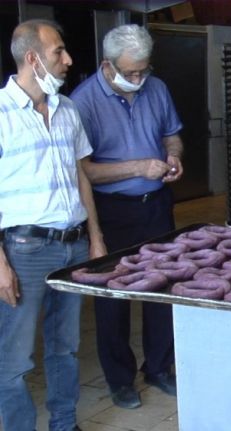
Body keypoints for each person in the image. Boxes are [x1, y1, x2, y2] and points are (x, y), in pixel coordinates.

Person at [0, 19, 107, 431]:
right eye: (58, 52)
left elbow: (82, 176)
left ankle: (65, 424)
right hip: (24, 250)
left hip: (73, 247)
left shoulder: (68, 110)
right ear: (32, 58)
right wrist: (1, 265)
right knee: (13, 360)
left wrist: (96, 239)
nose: (68, 60)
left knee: (65, 349)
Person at [70, 24, 184, 409]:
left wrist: (174, 156)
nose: (138, 79)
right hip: (111, 211)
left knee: (161, 288)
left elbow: (172, 134)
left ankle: (159, 366)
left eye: (143, 71)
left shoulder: (158, 88)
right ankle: (120, 380)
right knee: (113, 298)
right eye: (130, 72)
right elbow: (84, 172)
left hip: (155, 204)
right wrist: (137, 168)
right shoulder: (82, 103)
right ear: (108, 64)